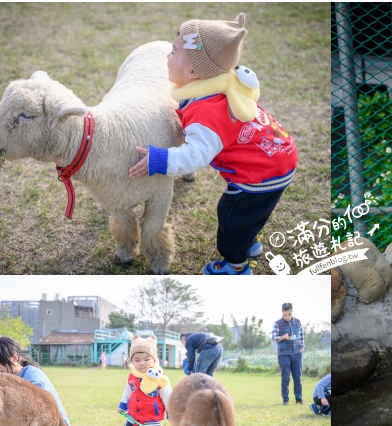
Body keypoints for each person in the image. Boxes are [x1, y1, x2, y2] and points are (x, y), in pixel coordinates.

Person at [128, 13, 298, 275]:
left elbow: (196, 156)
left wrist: (158, 160)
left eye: (173, 52)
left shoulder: (205, 113)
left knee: (231, 217)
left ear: (194, 71)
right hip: (278, 154)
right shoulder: (219, 86)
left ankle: (235, 265)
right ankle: (248, 241)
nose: (167, 57)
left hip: (260, 175)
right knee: (252, 212)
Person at [117, 335, 172, 426]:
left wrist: (171, 413)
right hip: (133, 415)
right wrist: (122, 405)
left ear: (154, 359)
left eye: (146, 359)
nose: (142, 363)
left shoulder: (161, 378)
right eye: (137, 360)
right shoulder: (132, 376)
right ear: (132, 361)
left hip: (152, 417)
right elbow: (128, 391)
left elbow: (167, 396)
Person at [273, 302, 304, 405]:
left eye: (289, 314)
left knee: (297, 378)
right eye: (285, 314)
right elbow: (274, 338)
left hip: (296, 354)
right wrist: (283, 337)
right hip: (283, 355)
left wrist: (302, 346)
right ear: (282, 313)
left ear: (292, 312)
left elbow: (300, 336)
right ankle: (285, 400)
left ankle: (299, 399)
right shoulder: (277, 324)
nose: (287, 317)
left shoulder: (298, 322)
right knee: (285, 378)